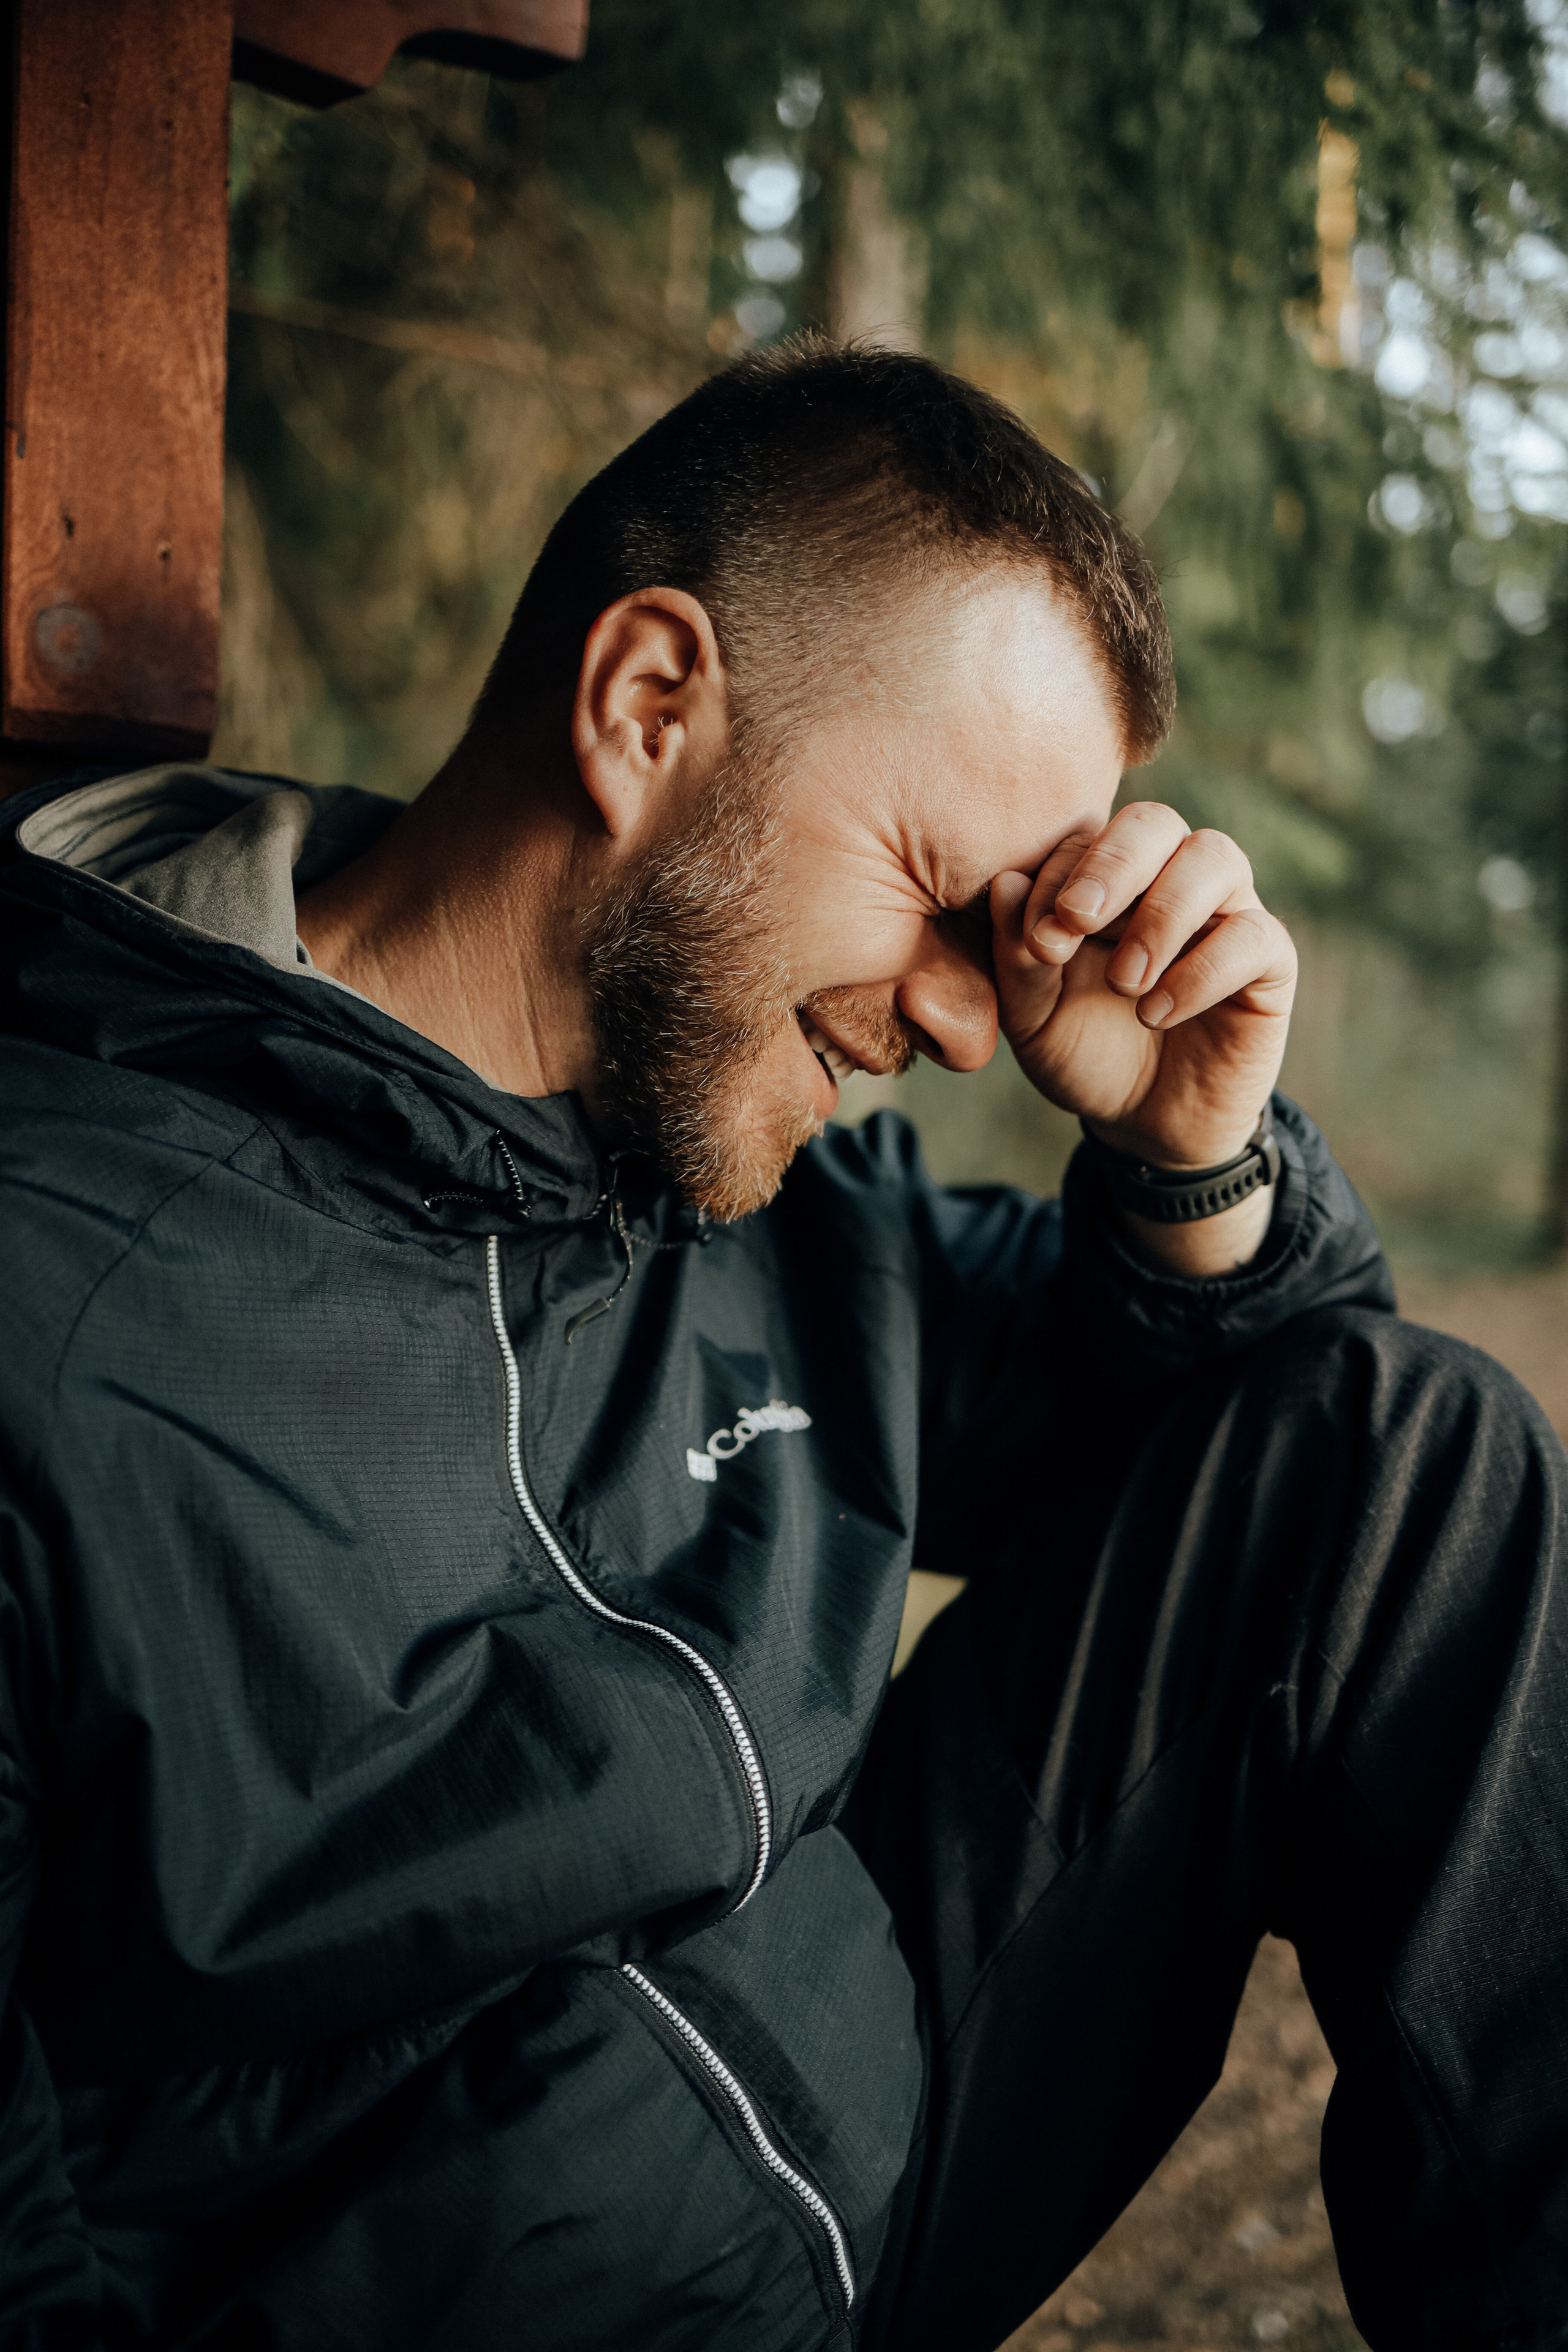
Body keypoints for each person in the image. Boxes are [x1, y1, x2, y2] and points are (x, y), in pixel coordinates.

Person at [0, 337, 1563, 2352]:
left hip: (876, 2118)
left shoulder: (770, 1186)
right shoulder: (62, 1285)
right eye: (942, 892)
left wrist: (1195, 1147)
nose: (971, 1023)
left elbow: (1266, 1436)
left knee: (1406, 1457)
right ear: (649, 705)